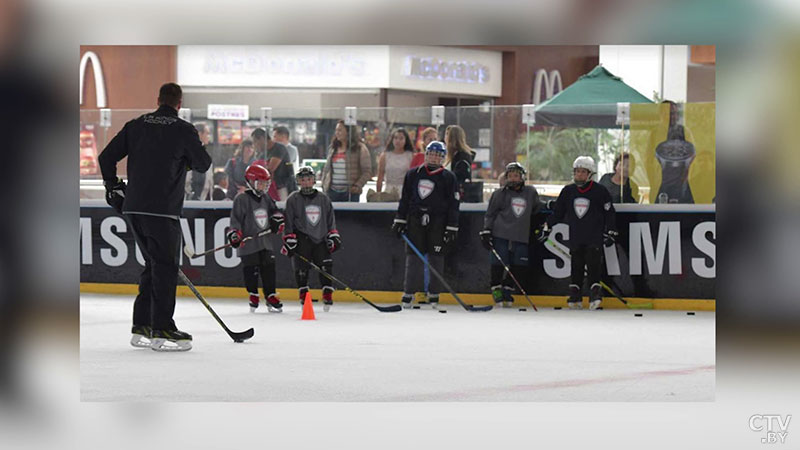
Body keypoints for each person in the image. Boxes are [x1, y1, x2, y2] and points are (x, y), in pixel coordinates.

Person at [98, 82, 211, 352]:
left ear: (158, 99)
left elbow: (105, 158)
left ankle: (142, 325)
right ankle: (162, 327)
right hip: (162, 210)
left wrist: (112, 186)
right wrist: (194, 150)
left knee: (153, 264)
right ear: (179, 104)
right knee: (165, 268)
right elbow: (203, 164)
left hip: (134, 207)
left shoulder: (136, 125)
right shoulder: (184, 130)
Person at [391, 141, 460, 309]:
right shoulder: (413, 174)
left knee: (436, 258)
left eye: (438, 155)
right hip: (415, 220)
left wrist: (452, 226)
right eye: (431, 154)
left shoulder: (449, 177)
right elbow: (405, 199)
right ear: (426, 154)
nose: (434, 157)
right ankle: (409, 293)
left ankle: (434, 293)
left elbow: (453, 204)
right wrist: (400, 219)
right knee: (413, 258)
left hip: (438, 222)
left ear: (443, 158)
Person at [543, 156, 618, 310]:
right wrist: (547, 226)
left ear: (590, 174)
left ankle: (595, 295)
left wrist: (611, 230)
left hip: (594, 237)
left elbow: (609, 212)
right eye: (577, 172)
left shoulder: (600, 191)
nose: (579, 175)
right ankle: (575, 295)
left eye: (583, 172)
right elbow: (558, 213)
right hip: (576, 236)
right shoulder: (568, 191)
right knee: (576, 266)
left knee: (593, 266)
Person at [480, 162, 546, 308]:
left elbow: (537, 208)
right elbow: (490, 214)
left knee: (519, 266)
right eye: (510, 176)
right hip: (501, 234)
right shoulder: (499, 194)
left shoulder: (530, 192)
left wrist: (551, 206)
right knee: (498, 264)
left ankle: (507, 288)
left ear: (522, 177)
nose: (513, 179)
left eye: (516, 176)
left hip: (521, 235)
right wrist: (487, 230)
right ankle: (496, 288)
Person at [226, 163, 286, 313]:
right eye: (260, 183)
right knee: (251, 269)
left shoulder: (267, 198)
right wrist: (235, 234)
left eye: (266, 183)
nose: (263, 186)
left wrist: (277, 220)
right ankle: (253, 293)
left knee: (269, 268)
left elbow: (276, 212)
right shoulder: (241, 199)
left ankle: (270, 294)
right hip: (249, 244)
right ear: (251, 182)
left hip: (265, 242)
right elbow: (235, 221)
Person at [281, 166, 341, 311]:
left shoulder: (323, 199)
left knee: (326, 266)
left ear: (314, 180)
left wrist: (333, 235)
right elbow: (288, 221)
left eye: (309, 179)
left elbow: (330, 220)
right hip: (303, 238)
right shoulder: (292, 199)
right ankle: (303, 293)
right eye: (303, 180)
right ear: (298, 181)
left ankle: (327, 293)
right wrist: (289, 237)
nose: (306, 182)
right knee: (301, 268)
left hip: (321, 238)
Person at [321, 120, 372, 202]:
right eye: (336, 130)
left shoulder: (360, 148)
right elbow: (326, 169)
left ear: (348, 131)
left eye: (340, 130)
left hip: (350, 192)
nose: (337, 133)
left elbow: (367, 172)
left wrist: (357, 186)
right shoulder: (333, 148)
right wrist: (323, 184)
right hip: (332, 191)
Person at [252, 128, 294, 201]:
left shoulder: (279, 148)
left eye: (255, 142)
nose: (255, 145)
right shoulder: (262, 154)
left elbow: (270, 168)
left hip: (282, 187)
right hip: (269, 188)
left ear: (262, 139)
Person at [376, 128, 413, 196]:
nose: (398, 141)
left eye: (401, 138)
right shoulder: (385, 156)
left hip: (405, 192)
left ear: (406, 140)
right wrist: (378, 194)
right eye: (395, 138)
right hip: (388, 192)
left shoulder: (411, 156)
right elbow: (380, 177)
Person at [444, 125, 476, 201]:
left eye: (447, 134)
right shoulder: (451, 155)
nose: (445, 137)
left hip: (456, 195)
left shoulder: (461, 157)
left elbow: (459, 176)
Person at [185, 122, 214, 200]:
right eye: (207, 134)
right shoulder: (189, 154)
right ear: (199, 134)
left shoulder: (205, 154)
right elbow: (187, 179)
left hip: (204, 202)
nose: (209, 137)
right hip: (192, 202)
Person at [272, 125, 299, 194]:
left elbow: (287, 164)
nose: (273, 139)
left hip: (286, 185)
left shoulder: (291, 150)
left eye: (275, 136)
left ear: (283, 137)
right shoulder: (275, 150)